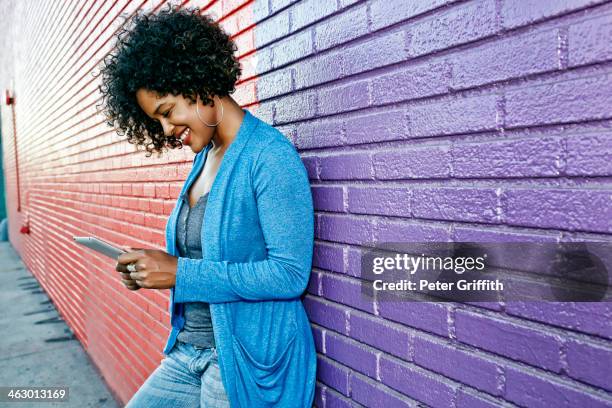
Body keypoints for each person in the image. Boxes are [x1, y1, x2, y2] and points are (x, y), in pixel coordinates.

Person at [95, 4, 316, 407]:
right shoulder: (205, 158)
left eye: (167, 113)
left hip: (244, 358)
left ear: (198, 81)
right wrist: (153, 269)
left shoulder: (268, 157)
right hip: (188, 352)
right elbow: (202, 256)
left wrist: (180, 272)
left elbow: (289, 275)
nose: (165, 130)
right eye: (155, 121)